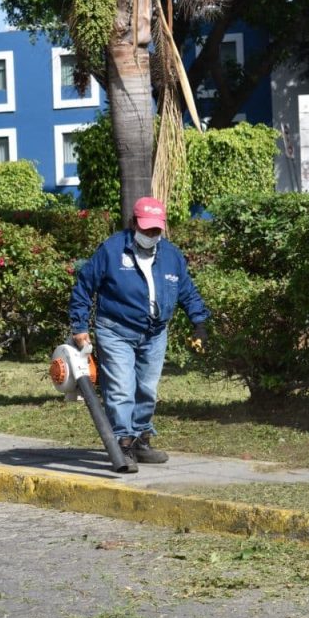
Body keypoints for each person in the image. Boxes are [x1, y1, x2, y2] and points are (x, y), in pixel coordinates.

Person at [69, 196, 210, 471]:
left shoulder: (171, 255)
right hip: (116, 330)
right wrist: (80, 326)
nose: (151, 235)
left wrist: (200, 323)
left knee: (147, 388)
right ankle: (123, 443)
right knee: (121, 389)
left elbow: (186, 291)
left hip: (155, 333)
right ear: (134, 223)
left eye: (156, 230)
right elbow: (84, 287)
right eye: (146, 229)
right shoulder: (111, 251)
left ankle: (141, 440)